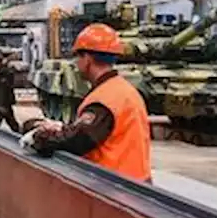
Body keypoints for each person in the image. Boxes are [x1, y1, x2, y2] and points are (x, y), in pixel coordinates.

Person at [24, 23, 152, 183]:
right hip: (135, 183)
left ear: (88, 59)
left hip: (114, 188)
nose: (76, 63)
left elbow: (78, 140)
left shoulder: (105, 99)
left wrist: (39, 138)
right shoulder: (123, 89)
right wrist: (61, 127)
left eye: (78, 56)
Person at [0, 50, 20, 132]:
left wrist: (2, 105)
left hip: (2, 104)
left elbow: (3, 90)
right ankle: (19, 134)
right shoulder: (0, 72)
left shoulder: (4, 73)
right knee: (11, 123)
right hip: (1, 104)